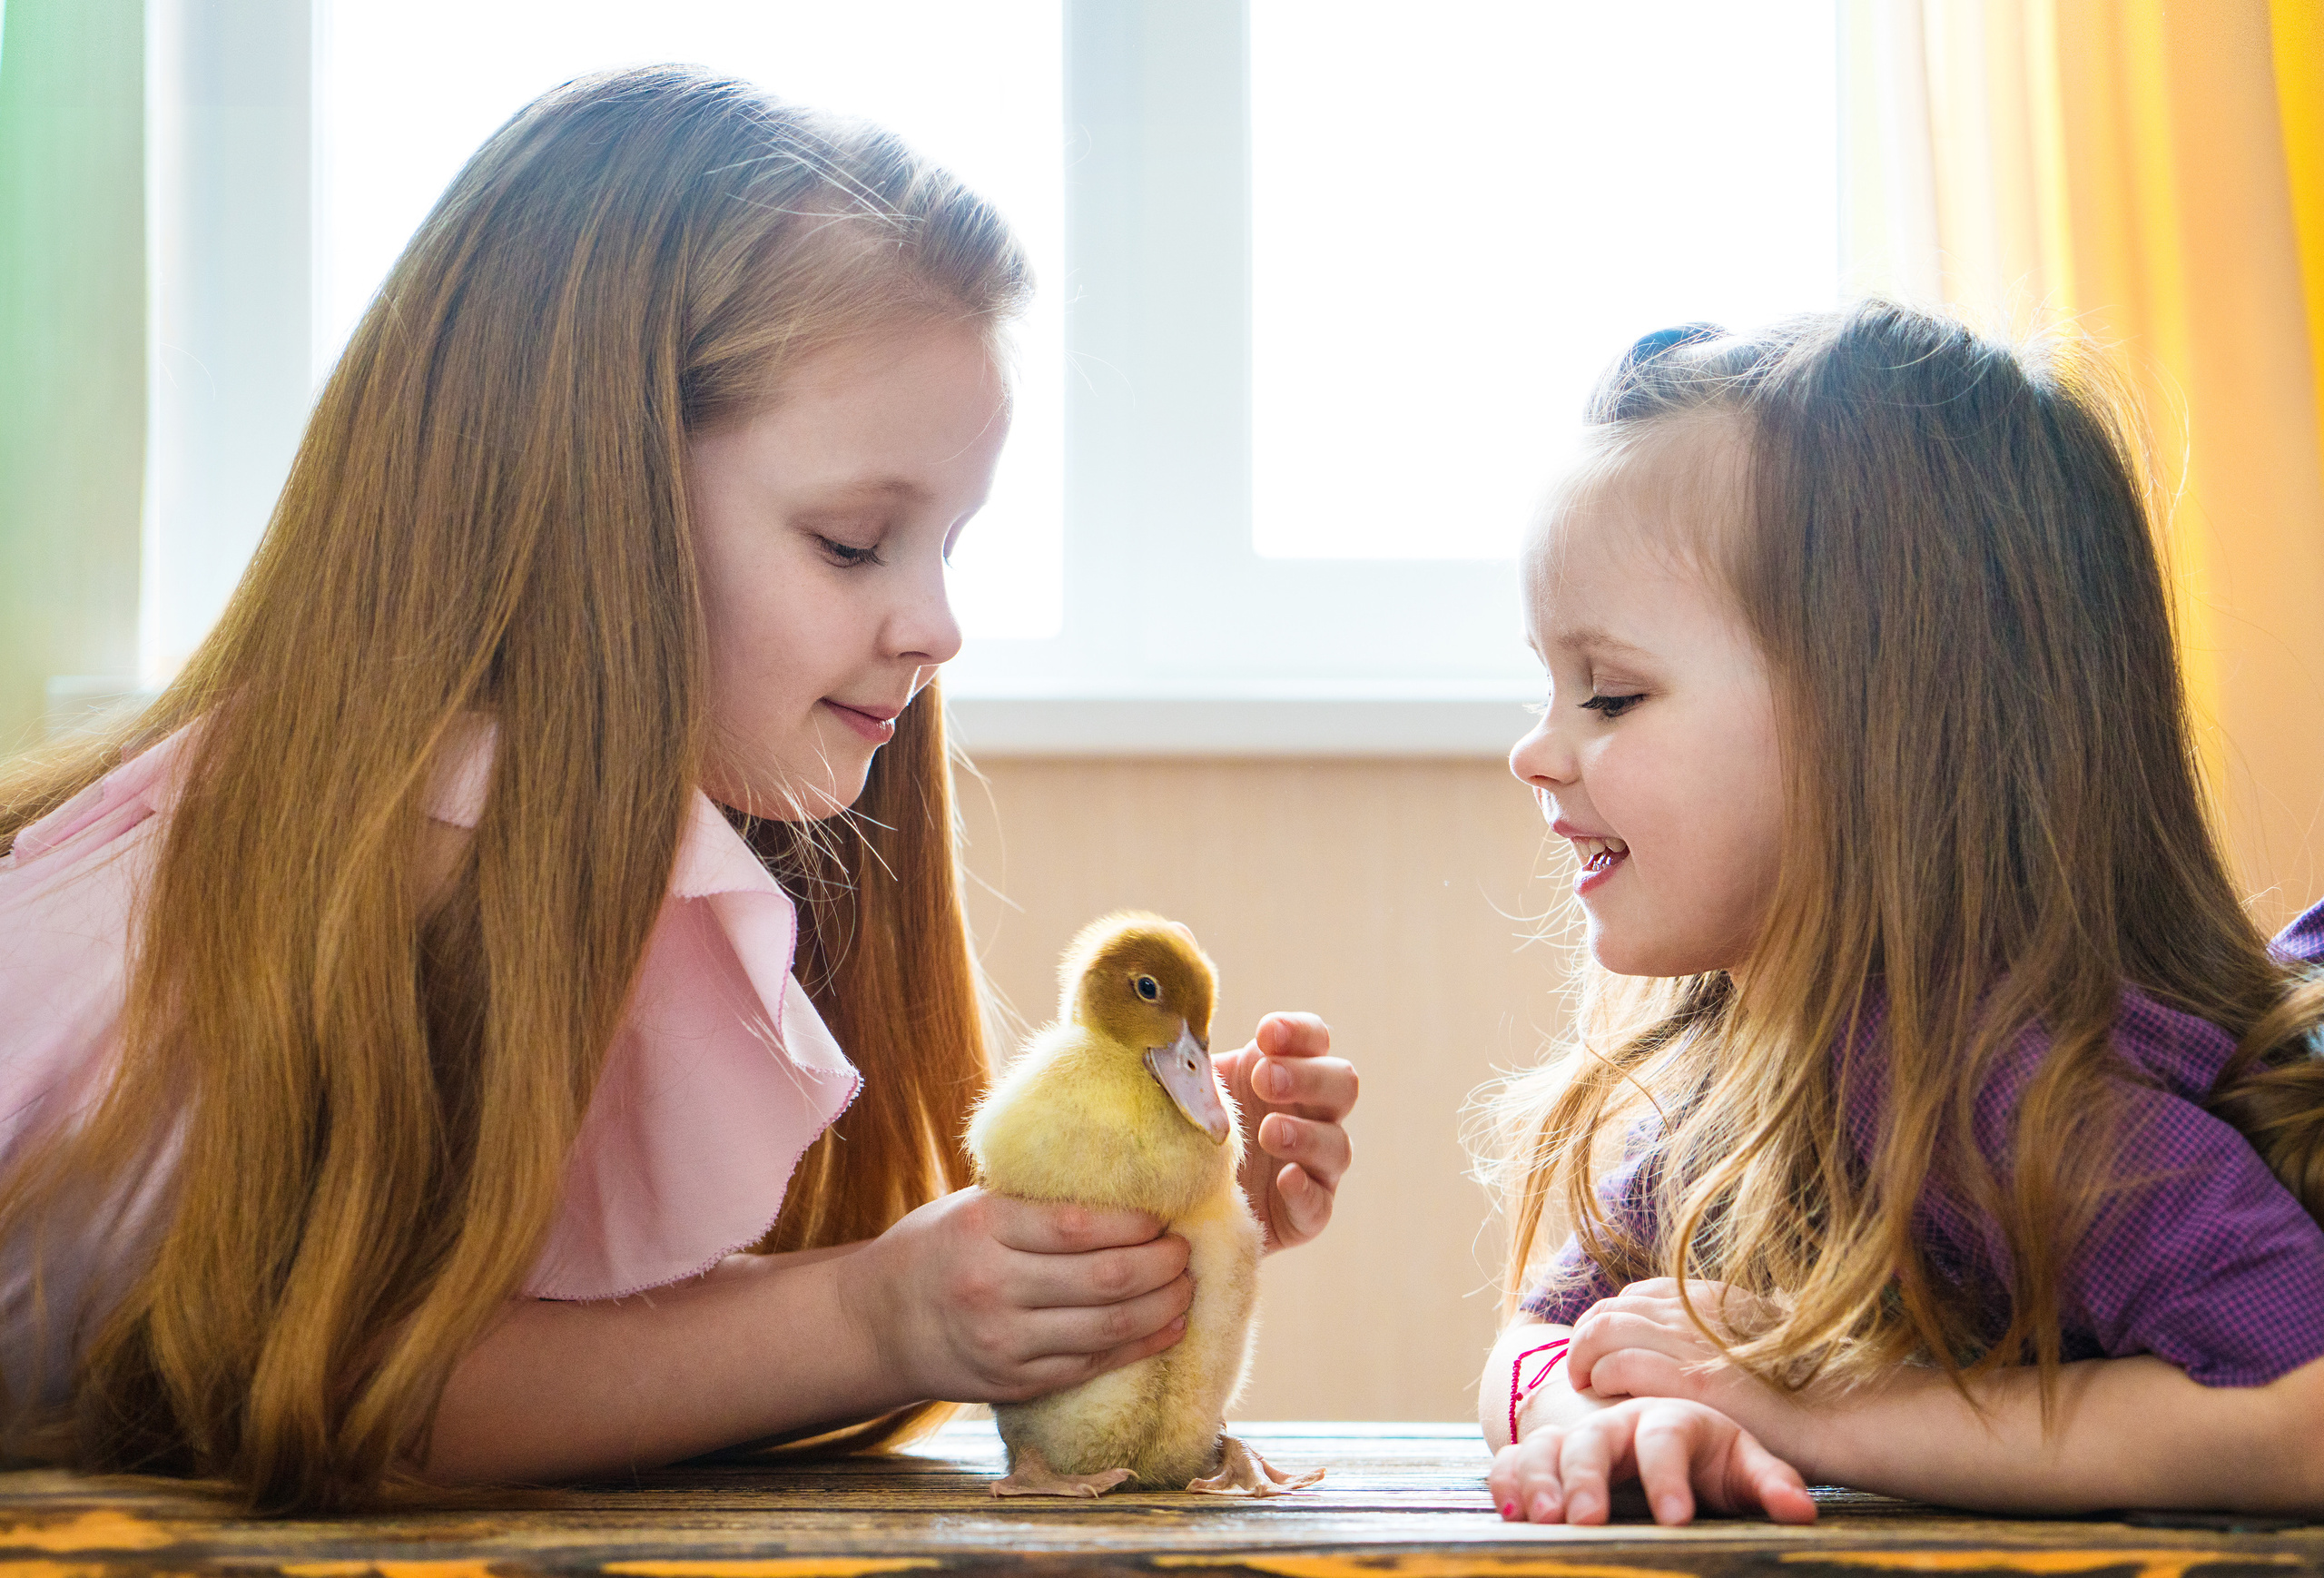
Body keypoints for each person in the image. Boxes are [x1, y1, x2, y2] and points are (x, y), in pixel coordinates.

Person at [0, 66, 1355, 1514]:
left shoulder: (581, 833)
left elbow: (576, 1328)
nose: (936, 625)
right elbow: (350, 1386)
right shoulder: (430, 824)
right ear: (597, 496)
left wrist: (1147, 1228)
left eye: (949, 543)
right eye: (852, 541)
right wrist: (878, 1314)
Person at [1479, 304, 2324, 1525]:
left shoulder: (2005, 1087)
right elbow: (1539, 1333)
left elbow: (2299, 1401)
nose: (1536, 748)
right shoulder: (1759, 1072)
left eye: (1609, 691)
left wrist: (1806, 1406)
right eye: (1549, 682)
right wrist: (1602, 1416)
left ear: (1882, 727)